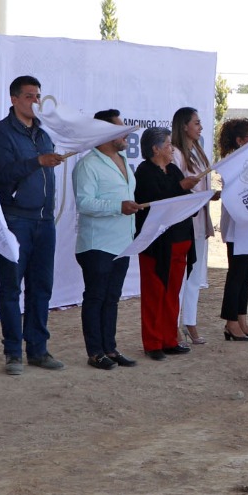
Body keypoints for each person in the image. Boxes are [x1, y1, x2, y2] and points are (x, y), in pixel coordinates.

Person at [0, 75, 66, 374]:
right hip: (15, 218)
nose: (35, 101)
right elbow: (4, 174)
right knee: (10, 288)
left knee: (41, 287)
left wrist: (43, 160)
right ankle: (13, 353)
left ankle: (38, 350)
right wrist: (38, 162)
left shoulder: (43, 133)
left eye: (37, 96)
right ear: (14, 99)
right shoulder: (1, 133)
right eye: (30, 96)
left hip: (45, 220)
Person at [74, 110, 141, 369]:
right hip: (97, 244)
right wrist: (118, 206)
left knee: (112, 297)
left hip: (122, 241)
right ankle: (95, 352)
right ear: (104, 132)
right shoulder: (88, 164)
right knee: (96, 296)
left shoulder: (122, 157)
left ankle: (110, 348)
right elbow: (84, 202)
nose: (125, 133)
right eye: (119, 128)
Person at [134, 127, 201, 360]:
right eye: (168, 144)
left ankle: (169, 338)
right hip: (157, 244)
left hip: (180, 240)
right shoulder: (144, 171)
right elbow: (158, 201)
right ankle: (153, 343)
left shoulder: (172, 169)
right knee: (155, 294)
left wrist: (199, 198)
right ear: (155, 148)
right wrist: (182, 188)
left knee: (173, 293)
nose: (172, 148)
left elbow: (183, 199)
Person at [216, 118, 248, 342]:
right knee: (236, 274)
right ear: (239, 140)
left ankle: (242, 319)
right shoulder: (232, 162)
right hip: (238, 224)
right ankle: (231, 322)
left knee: (246, 275)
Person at [171, 107, 214, 345]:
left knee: (195, 276)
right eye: (196, 123)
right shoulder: (176, 153)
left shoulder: (197, 151)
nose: (200, 127)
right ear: (184, 126)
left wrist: (209, 195)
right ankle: (175, 323)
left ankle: (190, 321)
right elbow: (177, 187)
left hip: (200, 219)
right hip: (185, 221)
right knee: (181, 275)